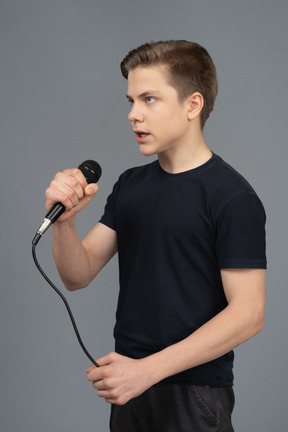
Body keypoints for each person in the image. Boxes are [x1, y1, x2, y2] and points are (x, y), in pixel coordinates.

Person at [45, 40, 266, 431]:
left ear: (192, 105)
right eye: (131, 100)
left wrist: (148, 371)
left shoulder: (232, 196)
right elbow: (76, 275)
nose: (133, 115)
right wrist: (64, 224)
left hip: (194, 392)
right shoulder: (130, 186)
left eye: (149, 99)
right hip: (130, 387)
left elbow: (248, 315)